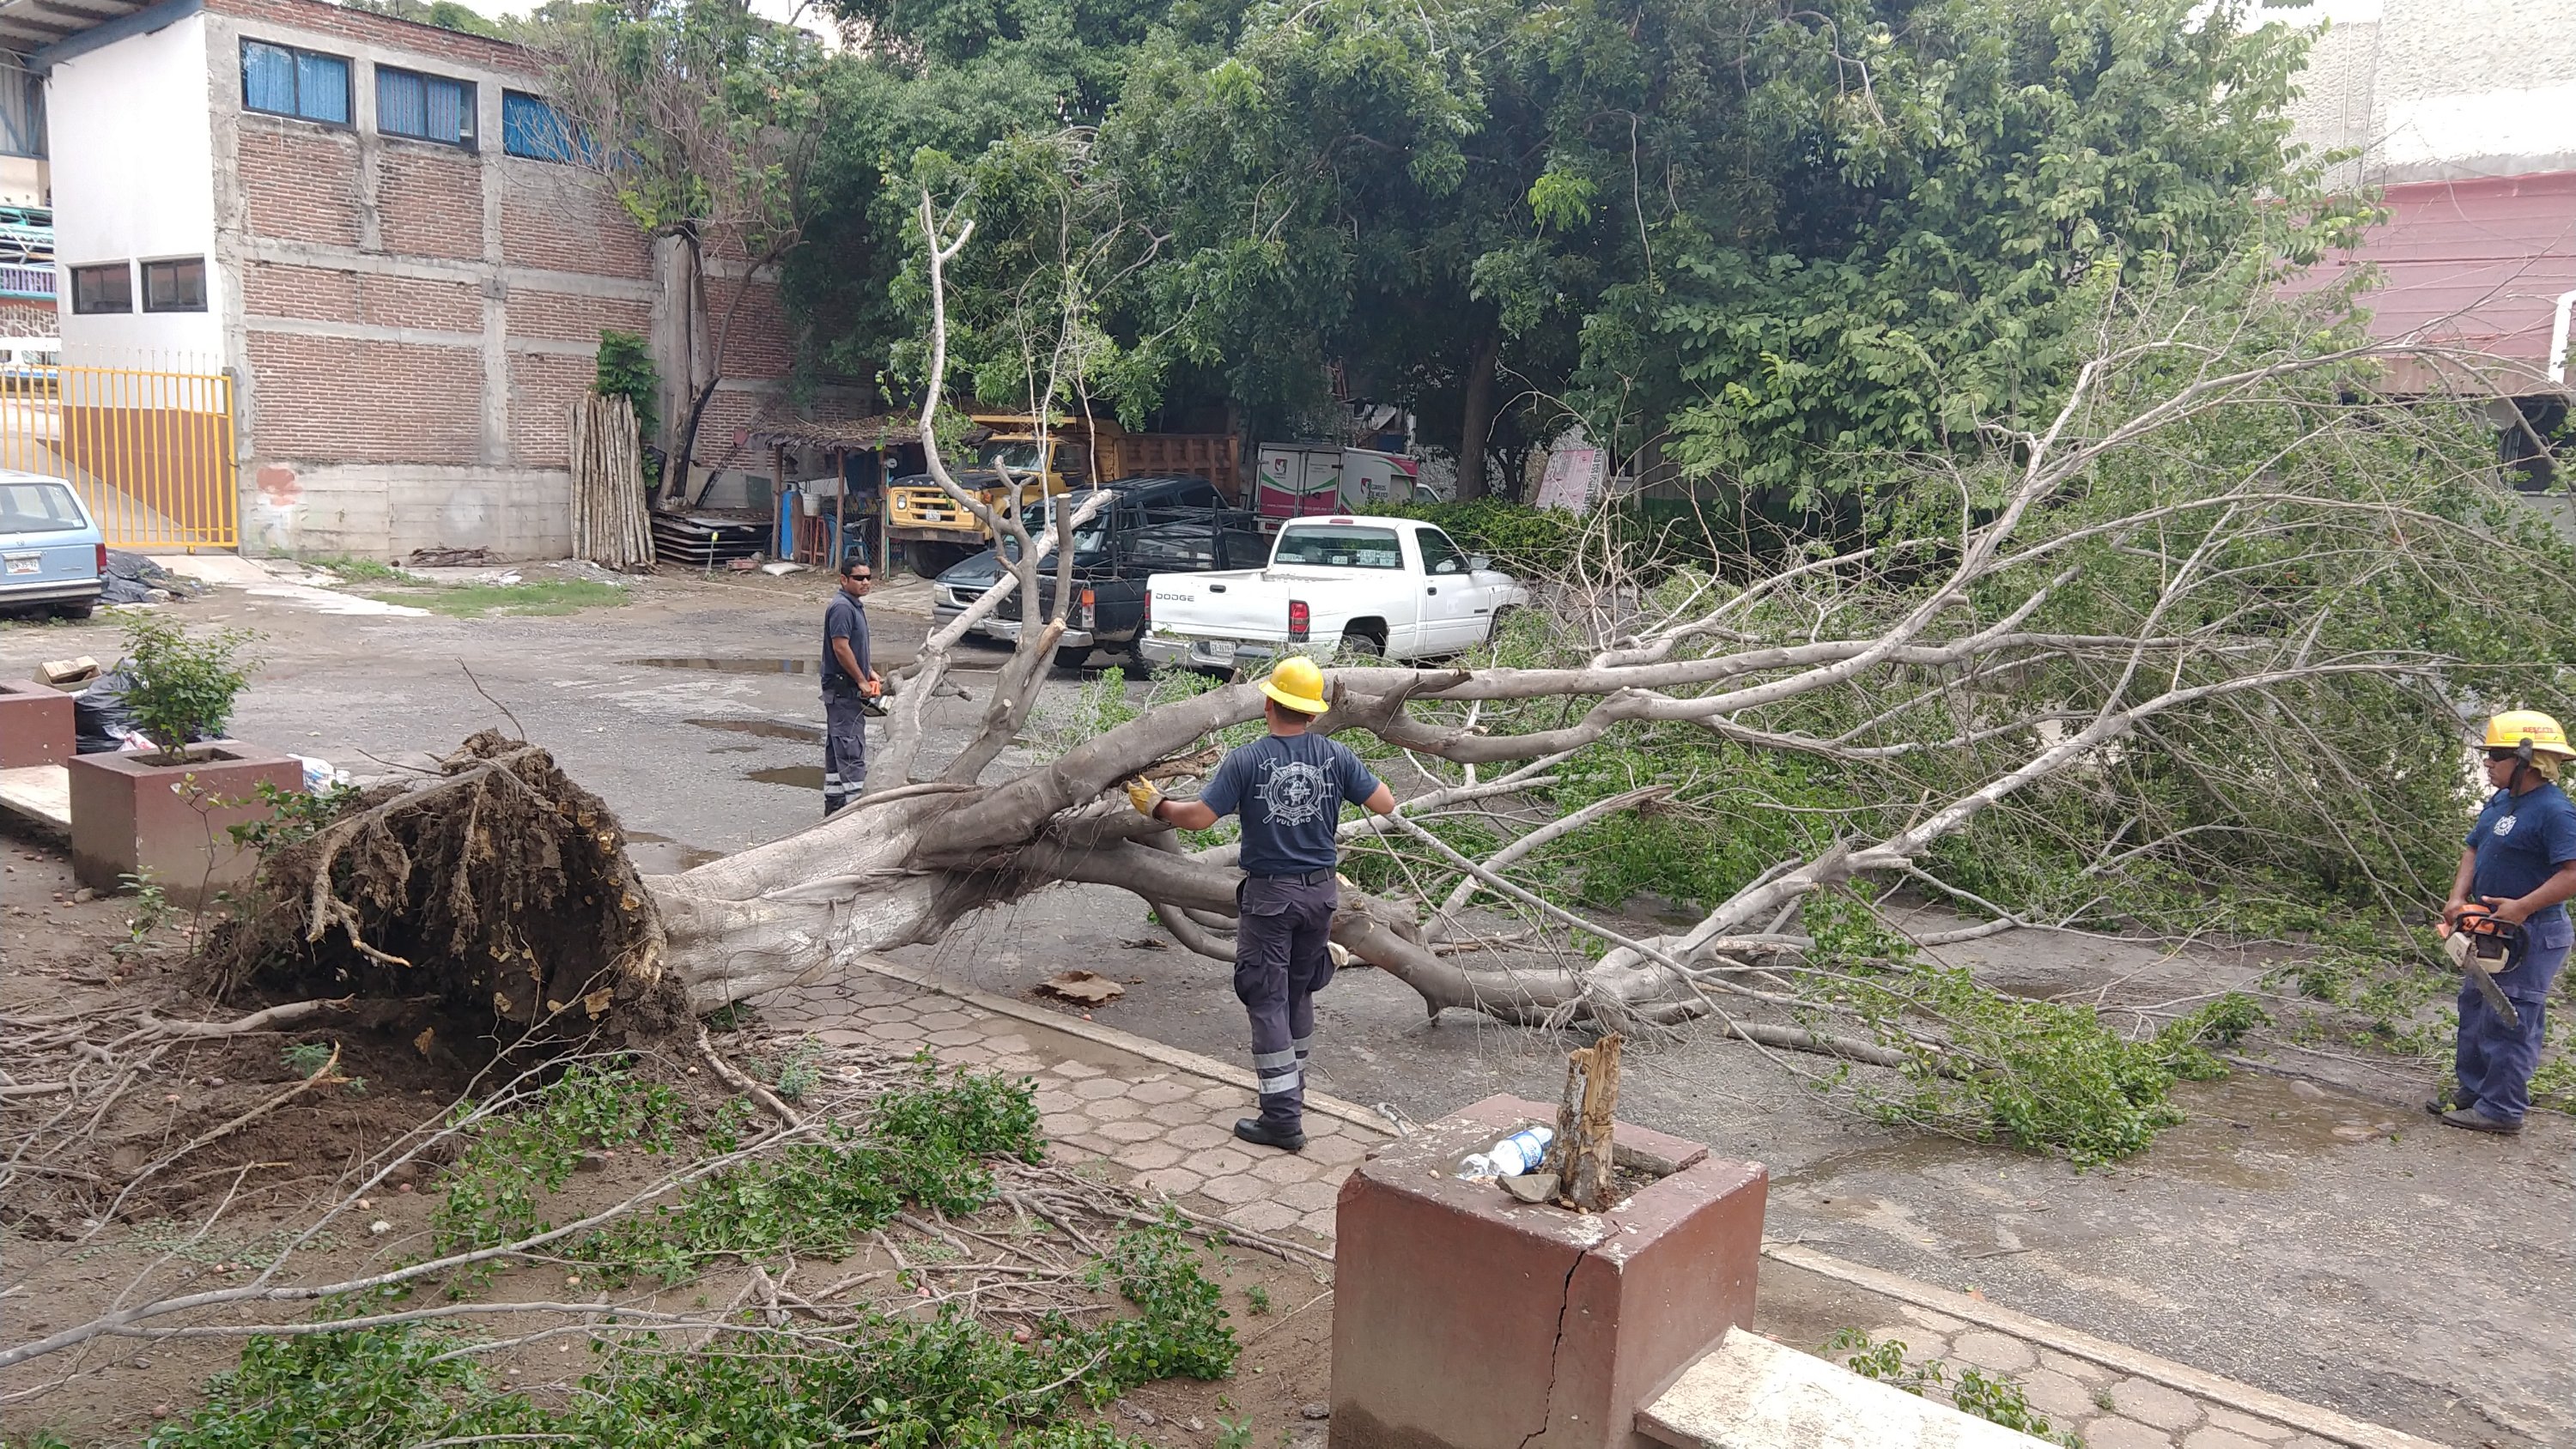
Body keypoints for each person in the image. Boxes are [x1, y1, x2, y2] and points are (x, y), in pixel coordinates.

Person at [1127, 656, 1395, 1151]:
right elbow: (1385, 804)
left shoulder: (1247, 761)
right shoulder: (1337, 756)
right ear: (1313, 713)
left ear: (1269, 703)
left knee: (1266, 996)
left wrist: (1157, 805)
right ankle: (1293, 1090)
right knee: (1298, 991)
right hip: (1320, 895)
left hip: (1272, 896)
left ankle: (1281, 1119)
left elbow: (1200, 819)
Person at [2434, 710, 2576, 1134]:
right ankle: (2474, 1091)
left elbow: (2572, 871)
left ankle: (2502, 1109)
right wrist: (2459, 897)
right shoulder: (2500, 802)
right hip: (2490, 928)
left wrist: (2524, 907)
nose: (2488, 763)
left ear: (2527, 759)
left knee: (2510, 1016)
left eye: (2496, 755)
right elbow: (2473, 849)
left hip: (2532, 933)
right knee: (2476, 1009)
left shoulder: (2555, 812)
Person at [821, 556, 882, 816]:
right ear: (844, 579)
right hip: (844, 690)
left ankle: (834, 807)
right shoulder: (843, 608)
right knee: (850, 748)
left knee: (837, 750)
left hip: (846, 688)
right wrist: (859, 680)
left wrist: (868, 671)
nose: (865, 582)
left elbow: (853, 648)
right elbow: (840, 647)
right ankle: (858, 812)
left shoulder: (853, 605)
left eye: (868, 577)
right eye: (859, 578)